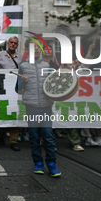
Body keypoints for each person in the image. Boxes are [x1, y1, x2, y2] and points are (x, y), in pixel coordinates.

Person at [15, 39, 61, 177]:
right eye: (32, 48)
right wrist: (23, 82)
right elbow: (18, 89)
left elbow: (53, 85)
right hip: (32, 107)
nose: (35, 50)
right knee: (34, 136)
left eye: (37, 48)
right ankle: (38, 162)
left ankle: (52, 163)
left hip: (46, 106)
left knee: (48, 135)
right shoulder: (23, 66)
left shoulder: (47, 65)